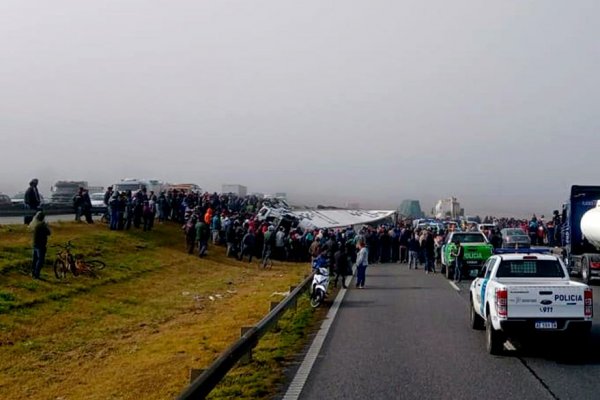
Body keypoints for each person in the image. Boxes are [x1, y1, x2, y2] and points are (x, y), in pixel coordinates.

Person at [29, 211, 51, 279]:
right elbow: (49, 233)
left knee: (35, 259)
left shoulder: (34, 224)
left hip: (35, 244)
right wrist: (46, 225)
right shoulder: (42, 225)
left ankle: (33, 272)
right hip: (41, 245)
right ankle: (36, 274)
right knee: (40, 260)